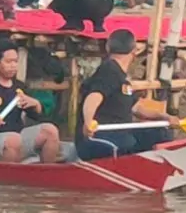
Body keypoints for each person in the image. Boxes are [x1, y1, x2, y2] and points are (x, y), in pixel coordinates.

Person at [76, 29, 178, 161]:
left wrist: (165, 117)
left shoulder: (122, 79)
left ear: (108, 47)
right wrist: (88, 122)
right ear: (135, 50)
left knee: (162, 133)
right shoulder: (108, 71)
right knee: (127, 142)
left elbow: (136, 108)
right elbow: (93, 97)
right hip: (98, 137)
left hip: (120, 133)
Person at [0, 40, 61, 163]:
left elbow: (37, 115)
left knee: (50, 130)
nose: (13, 66)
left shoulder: (19, 87)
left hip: (17, 138)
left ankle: (47, 173)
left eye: (15, 61)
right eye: (8, 62)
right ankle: (10, 176)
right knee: (13, 139)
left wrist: (36, 103)